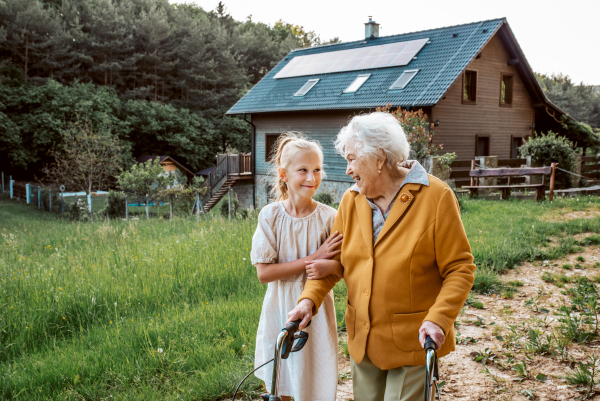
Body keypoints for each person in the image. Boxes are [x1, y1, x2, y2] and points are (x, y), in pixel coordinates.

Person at [287, 112, 476, 401]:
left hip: (413, 338)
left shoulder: (435, 197)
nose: (348, 169)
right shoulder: (352, 201)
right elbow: (335, 264)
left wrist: (439, 319)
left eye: (352, 159)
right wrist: (308, 300)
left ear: (379, 158)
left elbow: (460, 268)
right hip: (363, 339)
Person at [251, 132, 343, 401]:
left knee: (314, 382)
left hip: (317, 311)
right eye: (302, 170)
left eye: (316, 170)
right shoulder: (270, 216)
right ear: (284, 174)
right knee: (282, 383)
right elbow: (264, 273)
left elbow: (341, 269)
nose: (311, 178)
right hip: (280, 308)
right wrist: (313, 258)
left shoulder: (329, 217)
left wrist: (328, 267)